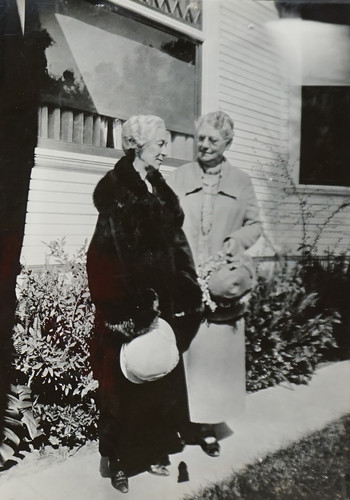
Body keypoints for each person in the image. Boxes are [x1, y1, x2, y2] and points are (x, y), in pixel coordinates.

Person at [86, 115, 202, 493]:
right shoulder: (117, 191)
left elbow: (177, 247)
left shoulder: (160, 190)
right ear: (137, 146)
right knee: (123, 384)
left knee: (160, 378)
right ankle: (118, 461)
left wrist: (189, 287)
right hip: (130, 307)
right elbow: (100, 258)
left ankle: (155, 451)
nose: (166, 151)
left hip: (163, 305)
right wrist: (125, 308)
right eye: (160, 144)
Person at [167, 110, 262, 457]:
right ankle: (181, 421)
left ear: (228, 144)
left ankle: (206, 427)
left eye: (213, 140)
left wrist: (235, 241)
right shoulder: (179, 177)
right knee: (184, 350)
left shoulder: (241, 181)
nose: (204, 145)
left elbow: (254, 224)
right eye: (201, 138)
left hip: (221, 283)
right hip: (186, 277)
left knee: (212, 355)